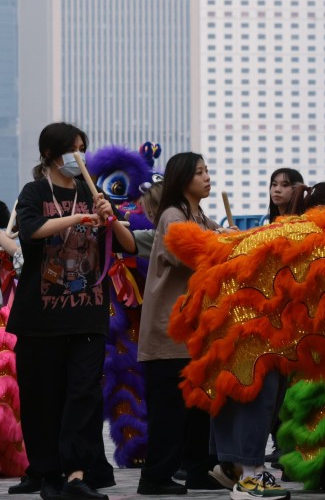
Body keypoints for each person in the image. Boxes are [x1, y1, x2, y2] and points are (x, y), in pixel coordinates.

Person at [8, 122, 136, 500]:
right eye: (72, 149)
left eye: (82, 148)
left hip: (87, 316)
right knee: (42, 399)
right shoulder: (34, 192)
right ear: (50, 154)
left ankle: (77, 475)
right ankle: (47, 475)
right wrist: (78, 219)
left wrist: (107, 214)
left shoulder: (89, 192)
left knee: (83, 394)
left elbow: (127, 245)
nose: (77, 156)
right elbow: (31, 231)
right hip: (40, 318)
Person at [136, 153, 228, 495]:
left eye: (207, 171)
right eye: (200, 172)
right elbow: (188, 254)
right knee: (169, 412)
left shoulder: (199, 214)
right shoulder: (174, 215)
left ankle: (197, 470)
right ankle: (155, 477)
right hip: (169, 332)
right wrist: (223, 243)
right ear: (182, 178)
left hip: (193, 333)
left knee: (196, 408)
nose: (207, 177)